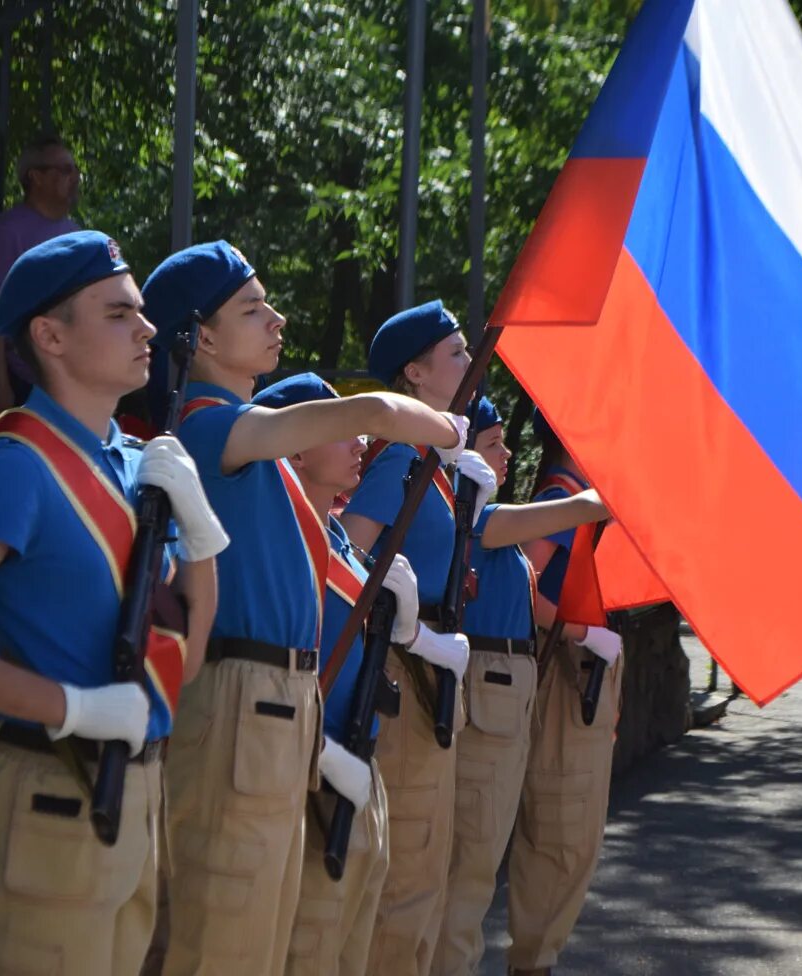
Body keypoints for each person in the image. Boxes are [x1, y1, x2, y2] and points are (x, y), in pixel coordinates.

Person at [139, 242, 466, 976]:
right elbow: (375, 408)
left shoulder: (246, 438)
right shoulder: (212, 428)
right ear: (202, 338)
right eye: (252, 309)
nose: (276, 319)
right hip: (238, 702)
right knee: (223, 937)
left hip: (278, 707)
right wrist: (445, 429)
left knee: (260, 937)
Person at [0, 231, 224, 976]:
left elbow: (184, 662)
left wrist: (200, 537)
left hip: (137, 791)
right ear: (50, 335)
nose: (148, 328)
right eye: (118, 313)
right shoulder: (12, 469)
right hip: (46, 785)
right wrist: (71, 705)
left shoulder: (137, 465)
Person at [253, 373, 464, 976]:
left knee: (356, 948)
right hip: (310, 780)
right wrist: (321, 754)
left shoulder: (342, 542)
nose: (359, 444)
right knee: (311, 948)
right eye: (340, 430)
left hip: (361, 767)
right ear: (295, 448)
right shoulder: (286, 544)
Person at [336, 300, 492, 975]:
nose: (468, 364)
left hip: (435, 671)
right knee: (403, 881)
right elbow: (353, 558)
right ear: (415, 373)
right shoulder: (400, 458)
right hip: (403, 671)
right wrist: (410, 627)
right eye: (456, 353)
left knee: (428, 872)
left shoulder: (438, 464)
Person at [431, 399, 606, 976]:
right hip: (490, 685)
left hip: (509, 683)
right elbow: (535, 566)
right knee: (468, 869)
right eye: (492, 444)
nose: (506, 456)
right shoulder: (477, 515)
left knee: (477, 867)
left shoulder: (484, 512)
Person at [503, 411, 627, 976]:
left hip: (579, 668)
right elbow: (522, 584)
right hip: (565, 675)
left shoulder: (572, 494)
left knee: (572, 838)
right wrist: (583, 634)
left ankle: (538, 958)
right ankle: (533, 963)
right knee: (560, 832)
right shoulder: (562, 494)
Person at [0, 135, 83, 413]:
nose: (75, 178)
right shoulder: (6, 232)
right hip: (24, 381)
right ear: (35, 177)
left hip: (71, 380)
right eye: (65, 170)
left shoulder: (77, 234)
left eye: (75, 170)